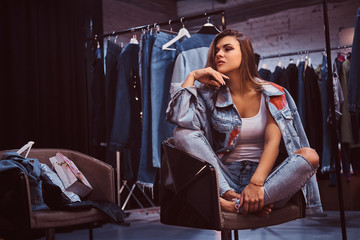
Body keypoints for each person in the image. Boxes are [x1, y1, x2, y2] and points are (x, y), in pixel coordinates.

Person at [166, 29, 320, 216]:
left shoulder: (273, 93)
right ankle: (231, 198)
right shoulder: (208, 95)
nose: (219, 54)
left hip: (267, 182)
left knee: (310, 155)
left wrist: (256, 184)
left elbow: (272, 142)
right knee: (182, 133)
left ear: (245, 54)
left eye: (227, 49)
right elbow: (179, 118)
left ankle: (232, 204)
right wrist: (192, 77)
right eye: (217, 51)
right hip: (223, 178)